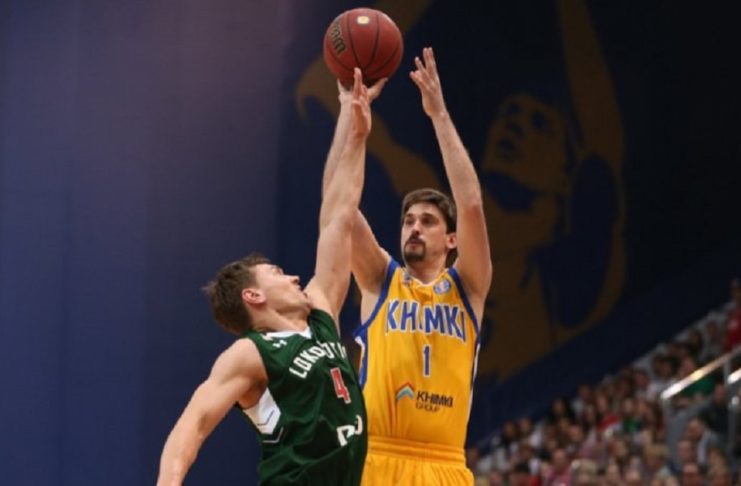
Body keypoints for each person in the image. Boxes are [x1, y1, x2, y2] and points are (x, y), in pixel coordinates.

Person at [157, 68, 376, 485]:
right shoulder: (250, 354)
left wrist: (355, 127)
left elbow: (338, 216)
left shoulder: (321, 315)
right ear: (253, 296)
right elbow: (194, 423)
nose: (293, 277)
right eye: (277, 272)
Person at [323, 47, 492, 485]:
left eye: (428, 222)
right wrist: (349, 116)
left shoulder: (469, 287)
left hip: (445, 465)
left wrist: (438, 115)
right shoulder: (380, 279)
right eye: (408, 221)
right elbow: (338, 206)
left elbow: (471, 205)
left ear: (452, 240)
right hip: (378, 457)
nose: (414, 228)